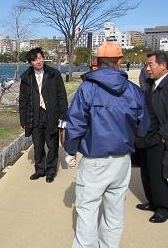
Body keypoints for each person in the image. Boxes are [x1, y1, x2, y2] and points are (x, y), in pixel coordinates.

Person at [64, 41, 150, 248]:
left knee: (87, 210)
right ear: (120, 61)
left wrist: (70, 150)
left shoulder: (87, 88)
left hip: (94, 160)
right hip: (122, 160)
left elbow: (75, 123)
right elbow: (144, 126)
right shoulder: (133, 90)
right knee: (115, 212)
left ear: (96, 61)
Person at [19, 47, 68, 182]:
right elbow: (22, 100)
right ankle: (40, 170)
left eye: (40, 58)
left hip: (51, 114)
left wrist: (64, 117)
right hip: (34, 115)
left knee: (52, 144)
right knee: (38, 144)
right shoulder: (26, 77)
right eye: (35, 60)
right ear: (30, 63)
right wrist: (22, 120)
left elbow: (62, 96)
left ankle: (51, 171)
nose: (38, 61)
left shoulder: (54, 74)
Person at [136, 52, 168, 223]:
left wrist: (164, 135)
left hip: (161, 137)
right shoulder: (151, 85)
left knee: (159, 174)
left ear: (163, 66)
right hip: (149, 135)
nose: (147, 69)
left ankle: (163, 207)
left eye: (151, 65)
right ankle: (153, 201)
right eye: (146, 65)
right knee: (147, 170)